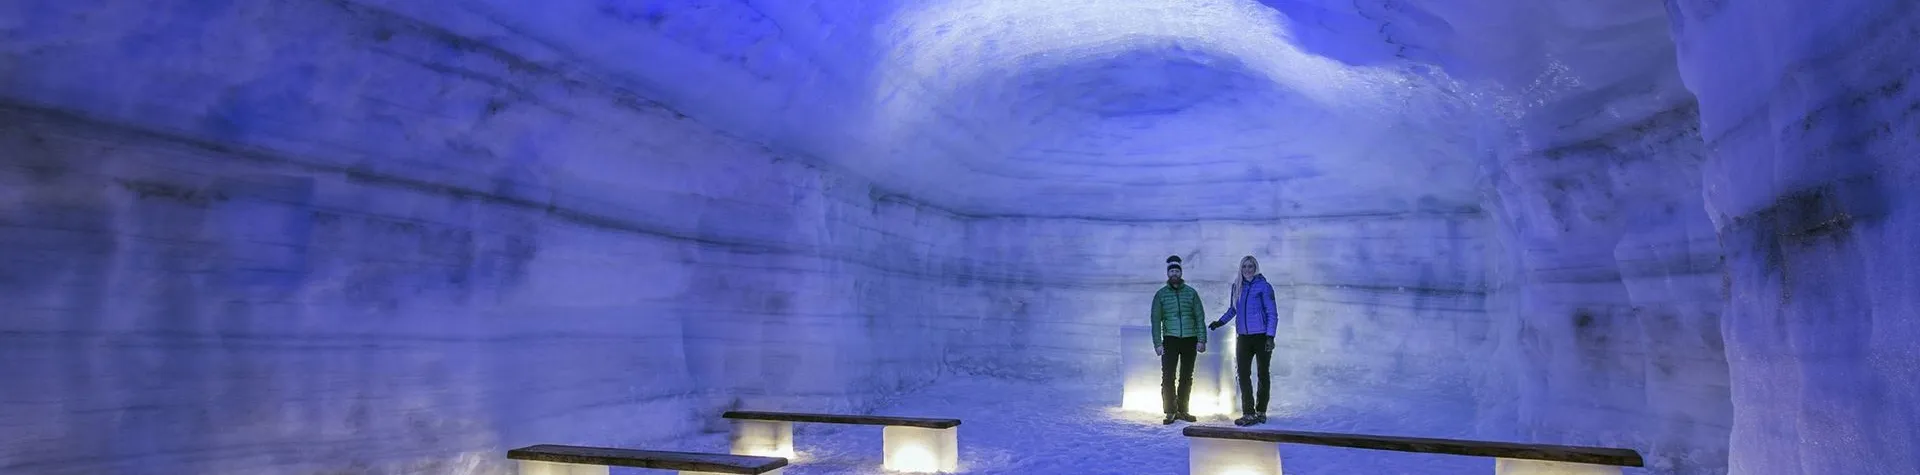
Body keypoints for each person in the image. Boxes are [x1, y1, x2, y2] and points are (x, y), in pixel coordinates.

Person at [1209, 255, 1278, 426]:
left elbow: (1272, 313)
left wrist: (1270, 336)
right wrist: (1220, 322)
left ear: (1256, 268)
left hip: (1262, 337)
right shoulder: (1237, 286)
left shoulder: (1264, 286)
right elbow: (1233, 309)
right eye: (1245, 266)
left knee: (1263, 373)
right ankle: (1249, 413)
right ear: (1241, 268)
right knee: (1243, 374)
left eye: (1251, 266)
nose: (1248, 269)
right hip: (1244, 338)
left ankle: (1261, 410)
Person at [1151, 255, 1206, 425]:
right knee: (1168, 376)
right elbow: (1155, 320)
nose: (1174, 273)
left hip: (1190, 339)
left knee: (1186, 376)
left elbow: (1199, 317)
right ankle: (1170, 411)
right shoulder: (1161, 295)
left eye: (1177, 271)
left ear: (1181, 273)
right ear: (1168, 274)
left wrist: (1201, 339)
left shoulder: (1191, 293)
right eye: (1171, 271)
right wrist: (1158, 343)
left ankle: (1183, 410)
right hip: (1170, 339)